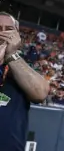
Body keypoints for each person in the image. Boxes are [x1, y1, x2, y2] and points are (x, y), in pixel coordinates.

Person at [0, 12, 49, 151]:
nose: (3, 33)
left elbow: (40, 94)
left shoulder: (23, 66)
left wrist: (11, 55)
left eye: (8, 29)